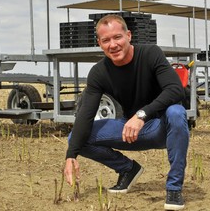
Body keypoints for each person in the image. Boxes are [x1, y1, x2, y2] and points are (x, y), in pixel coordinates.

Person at [64, 14, 190, 210]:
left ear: (128, 35)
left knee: (176, 112)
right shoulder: (99, 72)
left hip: (162, 127)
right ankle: (128, 169)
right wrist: (71, 155)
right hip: (129, 130)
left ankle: (174, 187)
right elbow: (85, 114)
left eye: (117, 37)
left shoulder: (151, 54)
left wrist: (142, 114)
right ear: (99, 43)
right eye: (106, 40)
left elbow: (176, 90)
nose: (113, 45)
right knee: (75, 138)